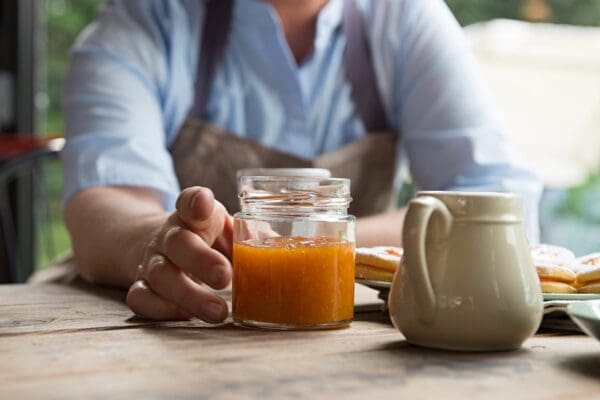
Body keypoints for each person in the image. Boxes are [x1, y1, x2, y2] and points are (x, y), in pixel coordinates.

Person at [62, 0, 542, 323]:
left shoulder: (405, 17)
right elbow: (105, 200)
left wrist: (281, 243)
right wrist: (157, 243)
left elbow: (494, 208)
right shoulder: (145, 20)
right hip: (175, 329)